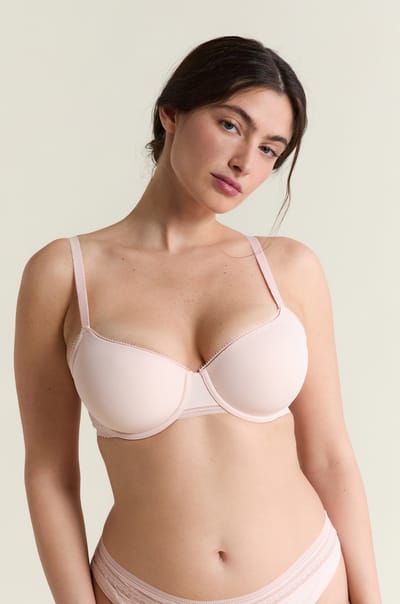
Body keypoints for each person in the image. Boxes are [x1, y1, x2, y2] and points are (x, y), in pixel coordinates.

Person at [14, 35, 381, 604]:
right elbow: (50, 474)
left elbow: (330, 456)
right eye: (231, 125)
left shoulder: (288, 268)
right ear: (172, 113)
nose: (245, 162)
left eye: (270, 150)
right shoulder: (64, 274)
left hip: (307, 580)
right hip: (137, 590)